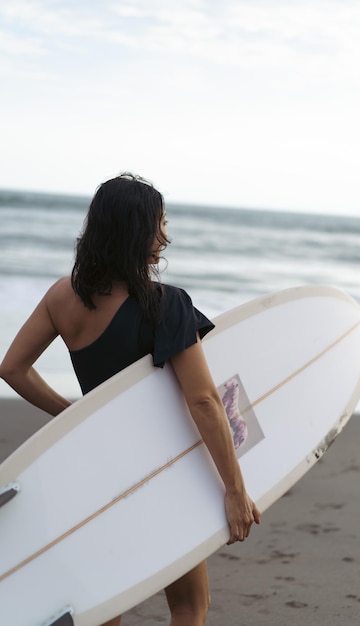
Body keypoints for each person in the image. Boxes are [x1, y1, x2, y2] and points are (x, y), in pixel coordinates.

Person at [0, 173, 260, 626]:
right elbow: (203, 402)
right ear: (134, 230)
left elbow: (12, 368)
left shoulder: (64, 296)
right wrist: (235, 490)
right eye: (158, 223)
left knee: (105, 606)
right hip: (159, 471)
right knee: (188, 605)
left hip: (93, 471)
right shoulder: (166, 304)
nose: (165, 235)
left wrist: (73, 415)